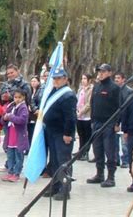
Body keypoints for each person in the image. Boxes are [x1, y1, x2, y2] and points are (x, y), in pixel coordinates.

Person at [42, 68, 77, 201]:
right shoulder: (54, 92)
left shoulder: (68, 95)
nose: (56, 81)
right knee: (55, 161)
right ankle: (56, 185)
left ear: (65, 79)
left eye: (59, 78)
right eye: (54, 78)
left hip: (62, 133)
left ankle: (65, 189)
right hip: (52, 131)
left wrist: (68, 133)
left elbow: (70, 117)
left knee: (64, 162)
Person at [86, 63, 120, 188]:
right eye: (99, 71)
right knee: (97, 149)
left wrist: (117, 123)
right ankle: (99, 174)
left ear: (110, 73)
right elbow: (93, 103)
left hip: (109, 123)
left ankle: (111, 176)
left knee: (109, 150)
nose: (100, 74)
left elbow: (119, 107)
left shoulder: (114, 88)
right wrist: (92, 121)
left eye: (103, 71)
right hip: (96, 123)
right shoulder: (96, 86)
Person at [0, 88, 29, 182]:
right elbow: (3, 119)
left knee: (18, 155)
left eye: (19, 97)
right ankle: (10, 172)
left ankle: (17, 173)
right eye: (15, 97)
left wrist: (11, 117)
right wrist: (4, 118)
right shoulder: (11, 106)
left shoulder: (23, 107)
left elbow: (22, 120)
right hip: (10, 136)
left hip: (19, 136)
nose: (17, 99)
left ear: (23, 98)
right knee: (10, 155)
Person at [115, 71, 133, 168]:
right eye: (115, 78)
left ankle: (125, 160)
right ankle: (115, 159)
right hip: (115, 119)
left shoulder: (128, 91)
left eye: (118, 78)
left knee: (124, 142)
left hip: (124, 120)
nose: (116, 80)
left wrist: (120, 122)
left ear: (123, 79)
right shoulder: (114, 90)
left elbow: (125, 107)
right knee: (114, 142)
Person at [76, 74, 93, 161]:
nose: (83, 80)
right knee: (81, 134)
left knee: (87, 135)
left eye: (85, 78)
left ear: (89, 80)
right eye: (82, 78)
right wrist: (77, 111)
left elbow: (89, 104)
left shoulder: (91, 89)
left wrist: (81, 112)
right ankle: (80, 150)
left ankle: (85, 152)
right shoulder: (80, 89)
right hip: (79, 116)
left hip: (87, 116)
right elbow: (77, 100)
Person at [28, 75, 43, 146]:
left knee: (35, 129)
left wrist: (35, 109)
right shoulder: (30, 91)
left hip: (36, 113)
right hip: (29, 114)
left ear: (38, 82)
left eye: (34, 81)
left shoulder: (40, 90)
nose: (33, 83)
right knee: (30, 130)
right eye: (32, 81)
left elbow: (39, 101)